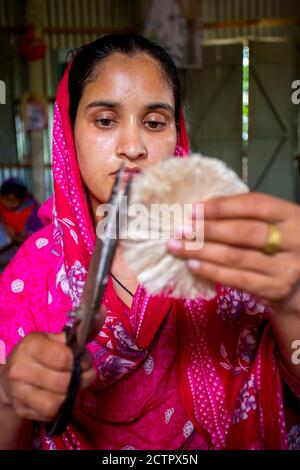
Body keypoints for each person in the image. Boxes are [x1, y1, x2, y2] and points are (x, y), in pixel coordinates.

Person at [0, 33, 299, 451]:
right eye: (105, 121)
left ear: (176, 136)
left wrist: (292, 301)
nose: (133, 148)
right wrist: (9, 399)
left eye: (154, 122)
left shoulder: (223, 249)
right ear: (69, 132)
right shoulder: (32, 277)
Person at [0, 178, 43, 245]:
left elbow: (39, 239)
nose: (9, 203)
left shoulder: (33, 213)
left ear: (22, 200)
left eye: (13, 201)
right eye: (6, 200)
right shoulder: (1, 207)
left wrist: (15, 238)